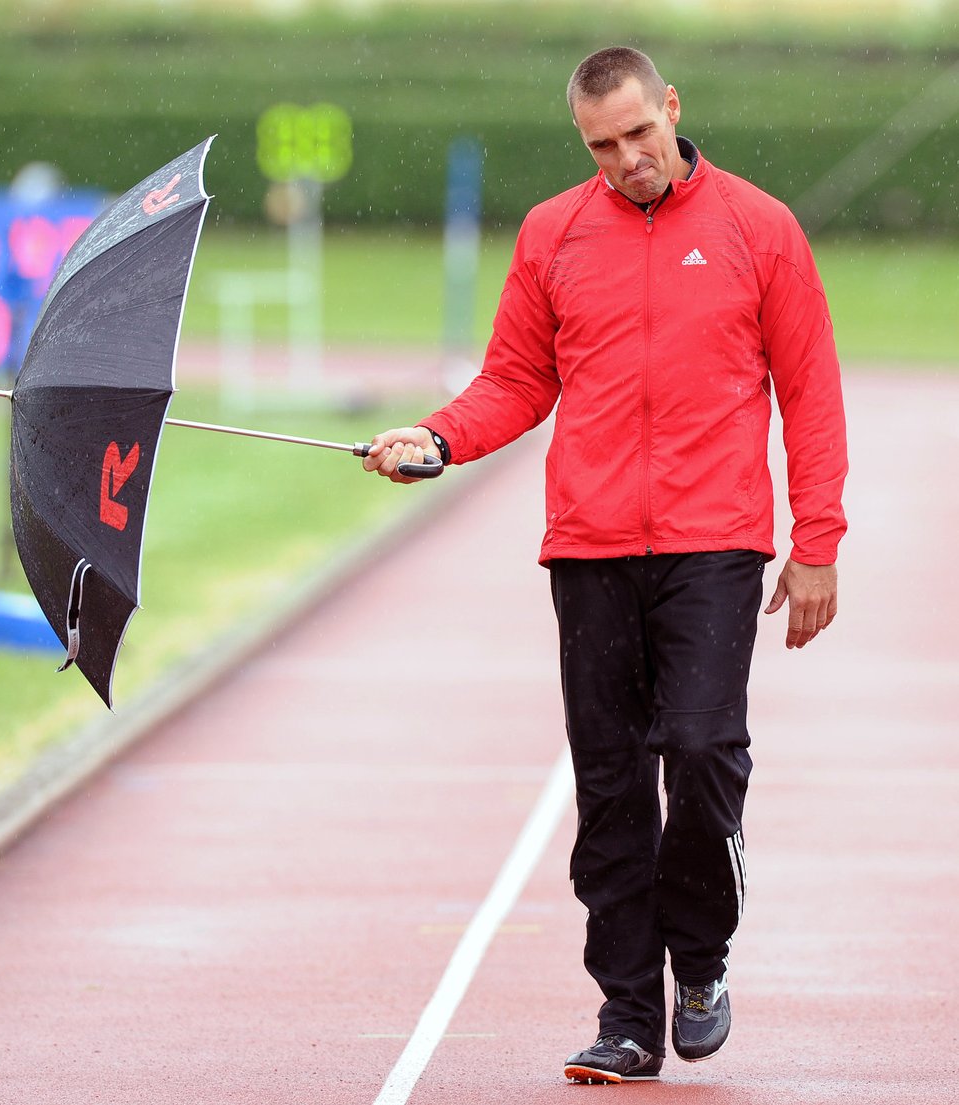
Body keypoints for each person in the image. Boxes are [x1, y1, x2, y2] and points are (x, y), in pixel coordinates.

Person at [363, 46, 847, 1084]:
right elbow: (514, 380)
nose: (629, 158)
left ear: (671, 108)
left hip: (717, 542)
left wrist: (819, 546)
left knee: (707, 751)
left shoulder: (761, 229)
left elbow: (809, 396)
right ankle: (629, 1011)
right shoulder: (553, 234)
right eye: (603, 145)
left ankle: (701, 960)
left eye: (640, 133)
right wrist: (439, 438)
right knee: (613, 781)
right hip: (588, 546)